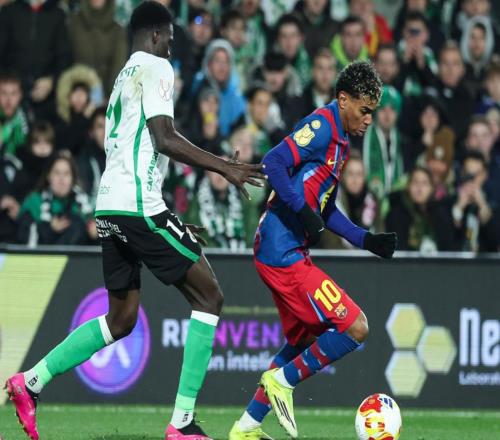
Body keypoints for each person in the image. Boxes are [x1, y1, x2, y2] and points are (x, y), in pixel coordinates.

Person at [5, 3, 265, 440]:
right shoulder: (158, 67)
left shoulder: (123, 75)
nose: (172, 48)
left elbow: (136, 151)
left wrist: (165, 216)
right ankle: (182, 422)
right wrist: (225, 166)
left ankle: (30, 381)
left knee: (121, 318)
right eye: (171, 40)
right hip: (137, 205)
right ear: (157, 36)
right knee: (210, 297)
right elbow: (164, 138)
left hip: (112, 204)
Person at [229, 61, 397, 440]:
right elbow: (273, 162)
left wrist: (365, 239)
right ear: (343, 99)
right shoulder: (322, 126)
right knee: (355, 326)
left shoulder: (342, 143)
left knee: (301, 341)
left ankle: (246, 427)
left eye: (373, 111)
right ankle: (283, 381)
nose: (369, 119)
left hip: (287, 250)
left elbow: (327, 208)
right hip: (281, 250)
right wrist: (303, 212)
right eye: (364, 109)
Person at [16, 151, 93, 246]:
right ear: (48, 176)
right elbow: (22, 238)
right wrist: (49, 229)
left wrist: (94, 234)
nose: (61, 179)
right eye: (57, 173)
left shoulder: (84, 204)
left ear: (73, 179)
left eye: (66, 174)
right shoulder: (34, 202)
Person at [385, 166, 456, 252]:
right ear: (408, 186)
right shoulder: (396, 215)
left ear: (431, 189)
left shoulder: (441, 215)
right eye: (415, 182)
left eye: (425, 183)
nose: (419, 188)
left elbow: (448, 250)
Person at [67, 0, 127, 97]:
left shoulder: (117, 31)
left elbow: (118, 67)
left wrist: (110, 97)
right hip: (75, 95)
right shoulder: (73, 23)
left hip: (106, 97)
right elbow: (64, 60)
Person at [0, 72, 30, 156]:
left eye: (13, 94)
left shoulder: (27, 117)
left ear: (20, 95)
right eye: (3, 93)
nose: (8, 99)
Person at [301, 48, 337, 117]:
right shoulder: (300, 102)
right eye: (320, 68)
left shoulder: (342, 103)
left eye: (329, 69)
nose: (325, 74)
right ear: (313, 71)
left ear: (335, 73)